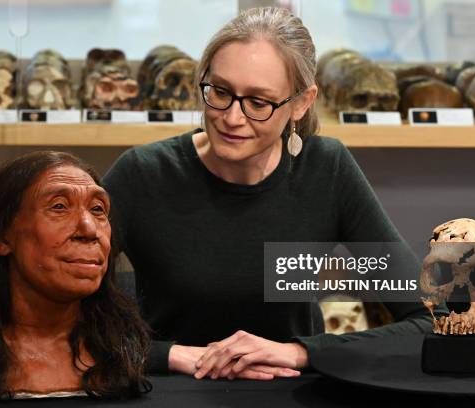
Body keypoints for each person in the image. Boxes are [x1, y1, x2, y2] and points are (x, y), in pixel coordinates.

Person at [102, 7, 442, 380]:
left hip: (292, 391)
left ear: (301, 102)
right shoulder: (143, 174)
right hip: (166, 391)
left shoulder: (326, 170)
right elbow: (48, 321)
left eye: (258, 103)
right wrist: (171, 356)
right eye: (219, 92)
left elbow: (431, 319)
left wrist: (297, 353)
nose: (232, 118)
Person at [0, 151, 151, 400]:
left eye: (98, 209)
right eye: (59, 207)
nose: (89, 229)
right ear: (1, 236)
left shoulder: (115, 350)